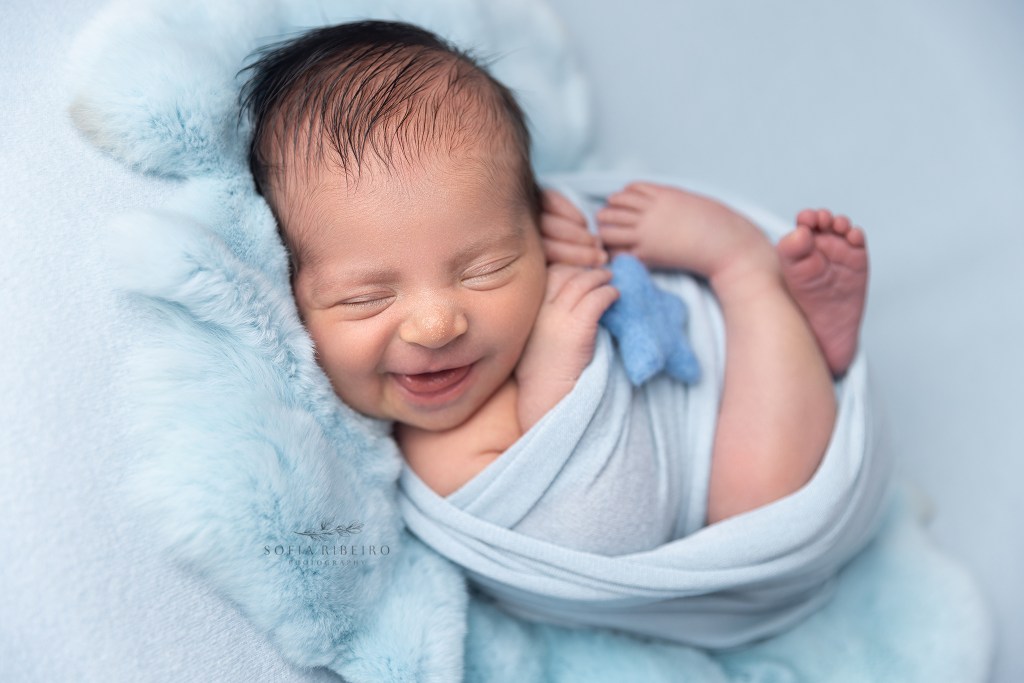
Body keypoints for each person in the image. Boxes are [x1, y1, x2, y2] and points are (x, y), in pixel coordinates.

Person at [240, 19, 868, 536]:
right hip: (718, 495)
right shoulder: (436, 458)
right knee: (756, 514)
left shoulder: (545, 244)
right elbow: (617, 530)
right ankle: (751, 276)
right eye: (366, 297)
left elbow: (572, 246)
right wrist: (553, 380)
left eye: (486, 268)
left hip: (707, 368)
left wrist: (567, 246)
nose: (436, 325)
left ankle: (778, 318)